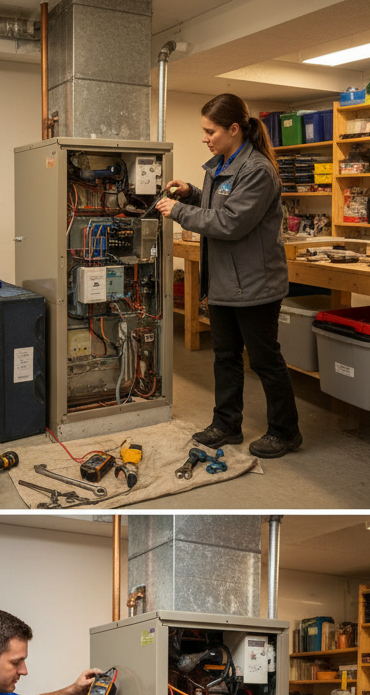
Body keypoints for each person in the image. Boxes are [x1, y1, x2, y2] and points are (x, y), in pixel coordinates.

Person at [155, 92, 301, 459]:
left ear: (234, 129)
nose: (205, 138)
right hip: (224, 282)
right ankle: (226, 425)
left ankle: (285, 432)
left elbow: (231, 222)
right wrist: (192, 194)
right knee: (225, 357)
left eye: (211, 131)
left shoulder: (258, 170)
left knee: (265, 361)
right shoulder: (222, 165)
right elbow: (219, 204)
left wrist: (177, 211)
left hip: (255, 285)